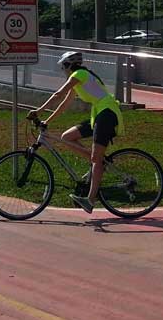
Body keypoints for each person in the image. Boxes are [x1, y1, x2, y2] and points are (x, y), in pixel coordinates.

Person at [27, 51, 124, 214]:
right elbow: (65, 104)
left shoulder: (79, 74)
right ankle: (98, 163)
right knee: (67, 137)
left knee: (95, 158)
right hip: (99, 113)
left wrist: (38, 110)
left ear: (68, 65)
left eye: (63, 67)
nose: (63, 70)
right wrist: (47, 121)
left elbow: (58, 94)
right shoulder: (79, 79)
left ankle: (90, 200)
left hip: (107, 113)